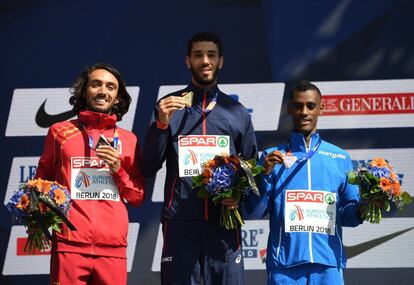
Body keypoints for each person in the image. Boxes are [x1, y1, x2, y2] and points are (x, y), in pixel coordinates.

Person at [140, 32, 257, 285]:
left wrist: (239, 196)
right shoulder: (167, 107)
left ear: (221, 61)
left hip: (223, 224)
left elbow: (250, 169)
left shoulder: (236, 112)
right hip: (181, 223)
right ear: (187, 61)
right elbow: (148, 166)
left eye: (211, 55)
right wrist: (161, 125)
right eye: (198, 55)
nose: (205, 61)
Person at [35, 63, 145, 285]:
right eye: (96, 84)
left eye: (111, 87)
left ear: (118, 98)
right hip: (69, 245)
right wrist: (40, 215)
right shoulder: (60, 132)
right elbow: (41, 184)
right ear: (84, 91)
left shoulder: (128, 139)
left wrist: (118, 170)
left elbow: (137, 196)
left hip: (112, 247)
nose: (103, 91)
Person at [242, 81, 362, 285]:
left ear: (321, 109)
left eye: (310, 106)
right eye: (298, 106)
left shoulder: (339, 158)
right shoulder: (272, 157)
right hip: (284, 266)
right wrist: (263, 175)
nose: (304, 112)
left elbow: (348, 216)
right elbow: (253, 211)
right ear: (290, 108)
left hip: (328, 266)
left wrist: (364, 208)